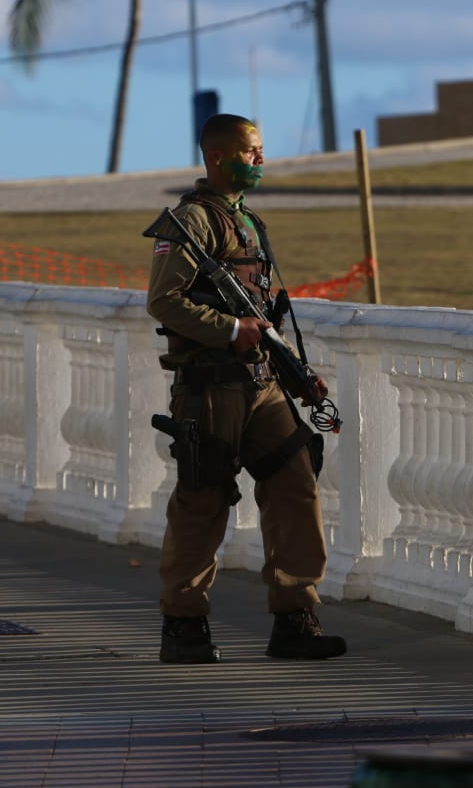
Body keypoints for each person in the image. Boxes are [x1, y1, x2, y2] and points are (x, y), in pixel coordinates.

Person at [145, 113, 346, 663]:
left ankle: (295, 618)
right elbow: (164, 301)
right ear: (216, 157)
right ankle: (184, 627)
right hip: (210, 390)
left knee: (295, 485)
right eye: (249, 151)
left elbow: (263, 312)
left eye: (259, 150)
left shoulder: (249, 223)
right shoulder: (191, 222)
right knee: (203, 500)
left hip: (262, 385)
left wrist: (295, 372)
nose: (259, 159)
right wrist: (230, 330)